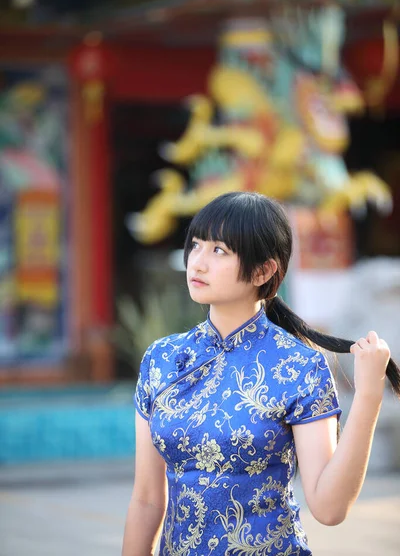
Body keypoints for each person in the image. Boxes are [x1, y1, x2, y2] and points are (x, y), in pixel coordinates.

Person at [122, 191, 400, 556]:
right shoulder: (162, 359)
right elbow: (146, 501)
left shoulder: (299, 367)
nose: (198, 263)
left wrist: (368, 396)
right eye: (196, 245)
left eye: (219, 250)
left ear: (263, 270)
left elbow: (329, 508)